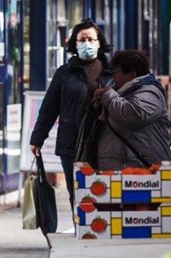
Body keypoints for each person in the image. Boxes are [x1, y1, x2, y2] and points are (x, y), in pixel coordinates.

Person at [29, 18, 113, 208]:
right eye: (82, 40)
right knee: (77, 191)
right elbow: (49, 108)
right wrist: (37, 138)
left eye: (91, 39)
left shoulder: (112, 71)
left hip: (106, 140)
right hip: (72, 141)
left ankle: (103, 230)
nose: (87, 44)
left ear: (99, 43)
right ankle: (82, 230)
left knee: (105, 189)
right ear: (75, 43)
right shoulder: (64, 73)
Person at [92, 50, 171, 170]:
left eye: (117, 72)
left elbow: (134, 114)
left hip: (143, 174)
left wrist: (109, 96)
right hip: (120, 169)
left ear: (132, 75)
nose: (113, 77)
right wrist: (99, 103)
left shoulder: (150, 92)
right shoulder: (121, 92)